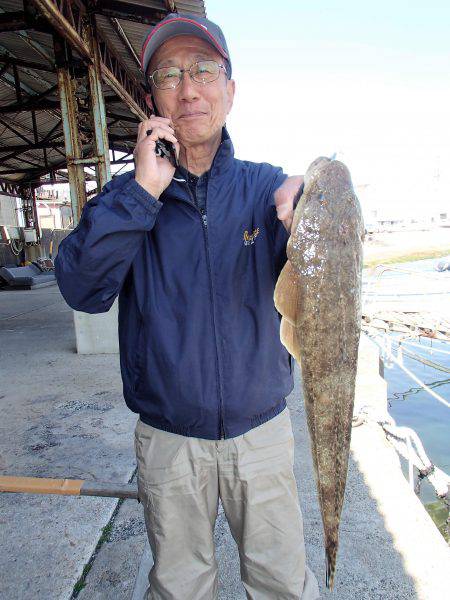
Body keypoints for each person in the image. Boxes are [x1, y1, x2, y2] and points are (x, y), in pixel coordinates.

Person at [55, 12, 320, 600]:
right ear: (151, 98)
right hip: (169, 441)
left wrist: (314, 203)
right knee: (181, 588)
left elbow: (328, 269)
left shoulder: (263, 187)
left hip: (262, 433)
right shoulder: (127, 200)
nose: (189, 87)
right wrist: (143, 192)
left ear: (230, 89)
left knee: (284, 585)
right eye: (170, 74)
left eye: (204, 70)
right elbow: (81, 288)